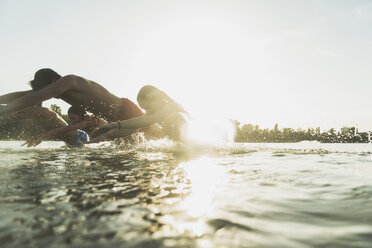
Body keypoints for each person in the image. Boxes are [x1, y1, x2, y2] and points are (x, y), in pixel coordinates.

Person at [0, 68, 159, 138]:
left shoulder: (69, 81)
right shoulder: (60, 91)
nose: (49, 96)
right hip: (115, 120)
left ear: (53, 80)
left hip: (126, 110)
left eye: (46, 90)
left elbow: (35, 97)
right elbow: (24, 95)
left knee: (157, 139)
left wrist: (4, 110)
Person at [92, 85, 188, 141]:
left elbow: (145, 121)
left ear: (157, 98)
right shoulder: (161, 116)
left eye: (148, 107)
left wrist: (114, 125)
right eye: (145, 109)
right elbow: (132, 128)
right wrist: (106, 135)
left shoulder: (173, 106)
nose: (147, 111)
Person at [23, 106, 108, 147]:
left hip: (82, 137)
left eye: (73, 118)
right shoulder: (80, 123)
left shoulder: (89, 120)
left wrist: (42, 136)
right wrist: (41, 137)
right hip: (81, 138)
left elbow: (65, 129)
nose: (72, 121)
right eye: (70, 119)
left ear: (82, 116)